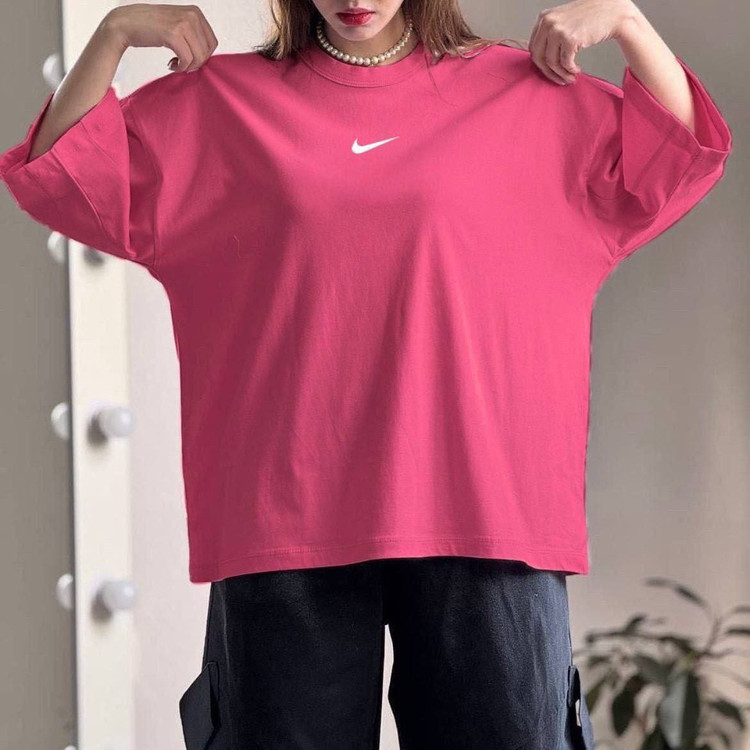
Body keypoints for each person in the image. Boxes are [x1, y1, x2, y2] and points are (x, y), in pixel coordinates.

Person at [0, 0, 732, 747]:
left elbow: (679, 154)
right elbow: (61, 176)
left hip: (487, 510)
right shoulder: (222, 104)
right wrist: (114, 34)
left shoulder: (526, 94)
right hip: (285, 515)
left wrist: (629, 23)